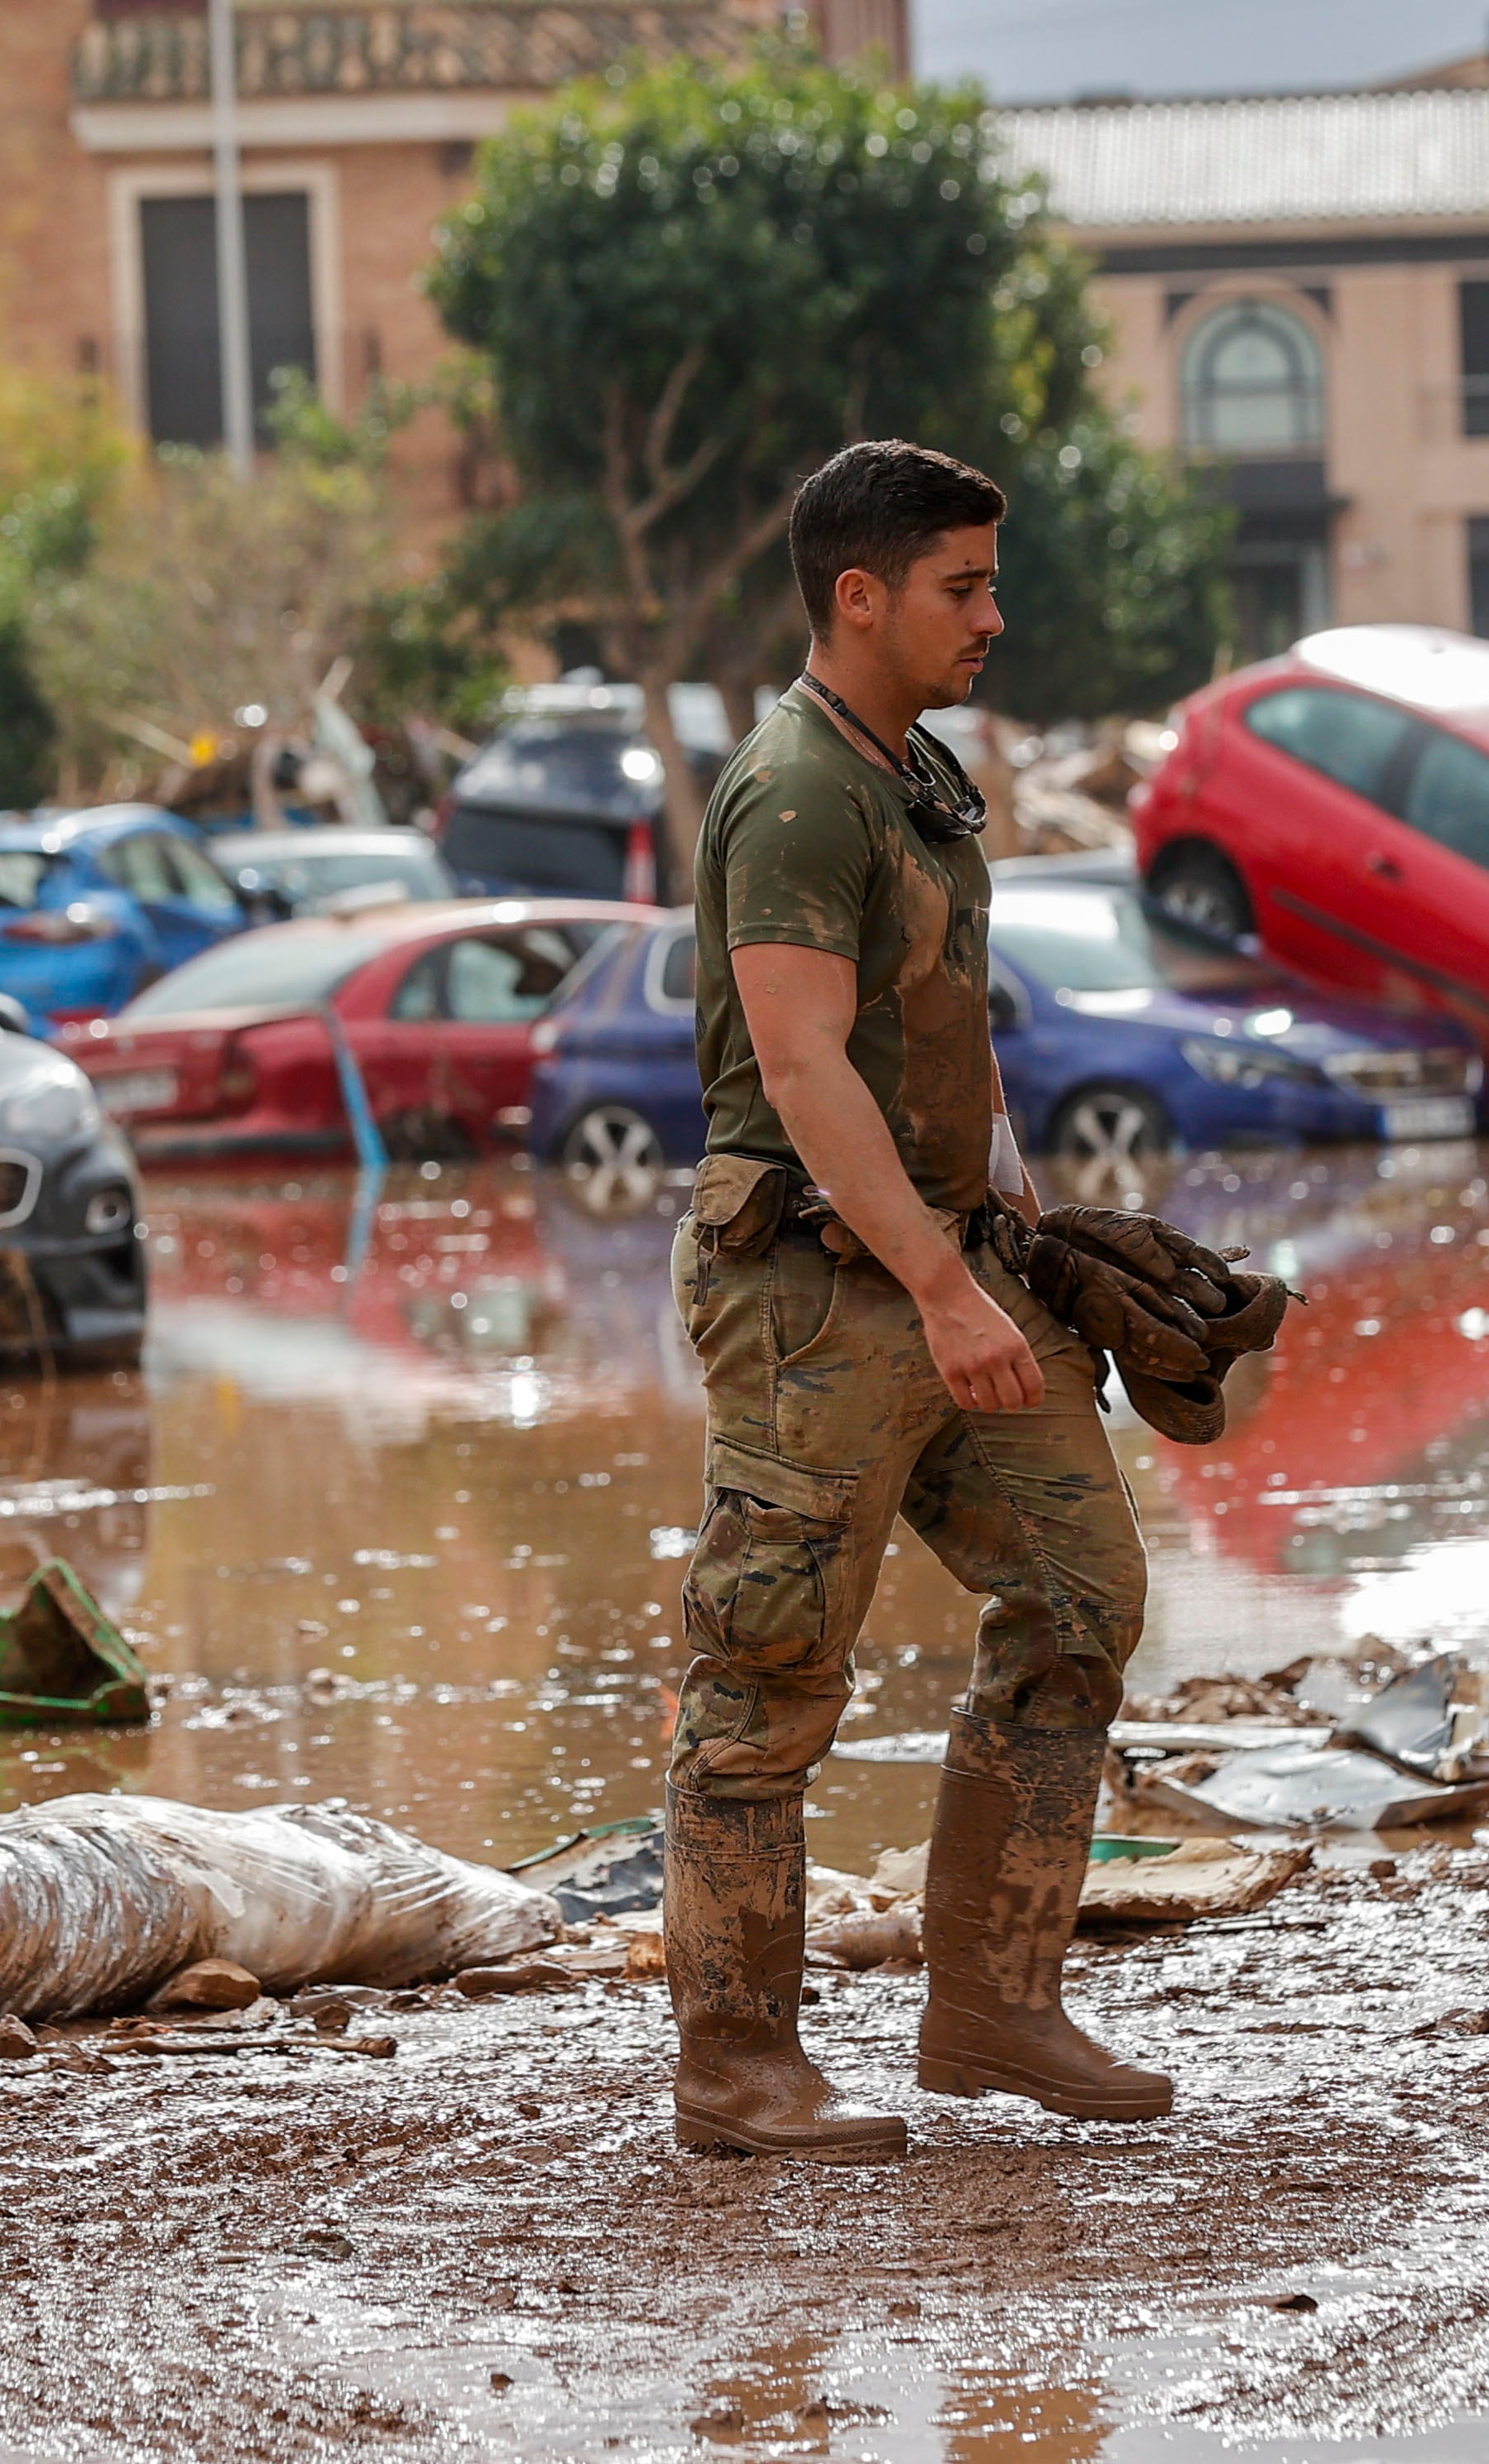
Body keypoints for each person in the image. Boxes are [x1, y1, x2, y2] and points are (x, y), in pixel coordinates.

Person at [662, 439, 1165, 2163]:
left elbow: (936, 1028)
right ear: (857, 594)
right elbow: (801, 1065)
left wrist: (1019, 1217)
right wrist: (946, 1286)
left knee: (1080, 1590)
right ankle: (736, 2064)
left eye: (991, 582)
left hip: (947, 1261)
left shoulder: (918, 775)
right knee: (768, 1664)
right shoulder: (796, 785)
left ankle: (992, 2005)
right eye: (961, 586)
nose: (992, 617)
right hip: (815, 1287)